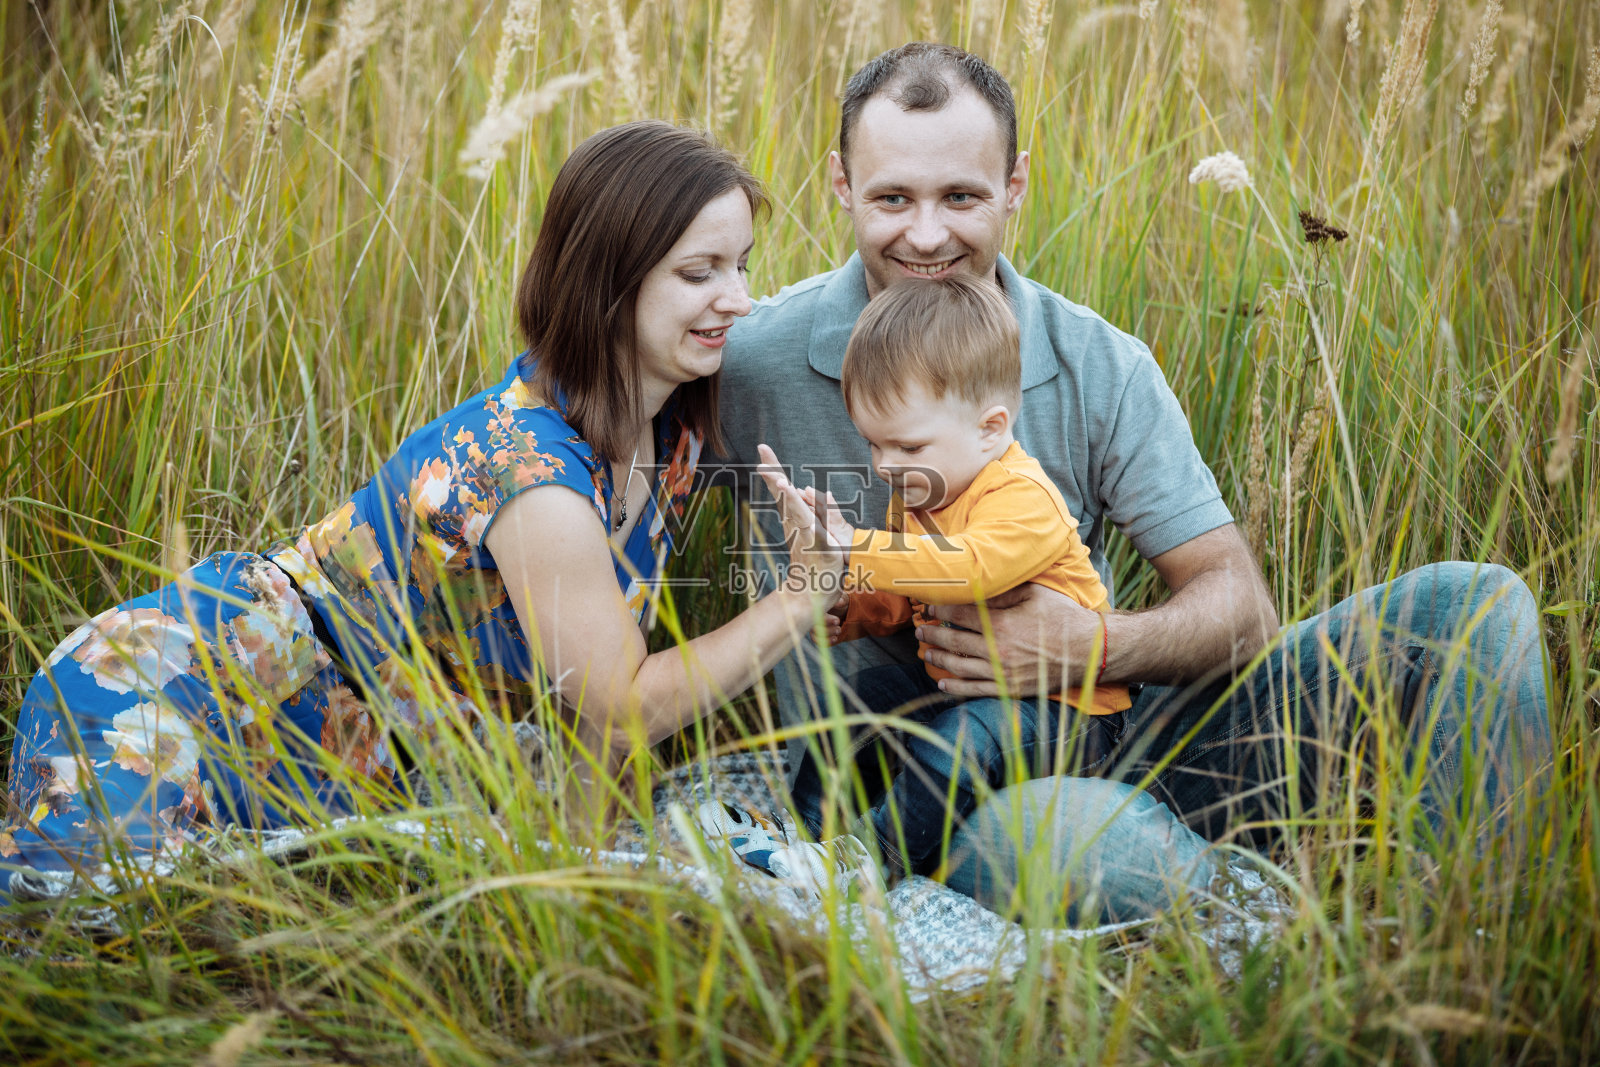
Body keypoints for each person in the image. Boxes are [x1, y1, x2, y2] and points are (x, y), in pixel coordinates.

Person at [713, 43, 1553, 916]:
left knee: (1476, 609)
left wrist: (1091, 644)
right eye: (893, 197)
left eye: (961, 195)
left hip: (1115, 728)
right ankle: (1225, 893)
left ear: (1015, 186)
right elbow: (594, 409)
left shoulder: (1100, 364)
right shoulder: (754, 358)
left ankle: (1473, 936)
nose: (927, 234)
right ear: (843, 185)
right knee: (1115, 857)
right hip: (930, 790)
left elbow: (1241, 610)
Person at [1, 121, 839, 906]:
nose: (738, 298)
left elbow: (598, 724)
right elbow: (627, 705)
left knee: (232, 942)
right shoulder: (528, 471)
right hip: (179, 696)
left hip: (340, 763)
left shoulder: (672, 436)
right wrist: (800, 597)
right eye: (701, 273)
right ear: (608, 283)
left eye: (742, 264)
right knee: (94, 935)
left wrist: (581, 897)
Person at [751, 275, 1131, 888]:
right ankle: (811, 835)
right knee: (858, 699)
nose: (883, 466)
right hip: (971, 688)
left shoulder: (1024, 497)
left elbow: (968, 570)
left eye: (906, 445)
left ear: (990, 425)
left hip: (1071, 711)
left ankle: (870, 861)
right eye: (873, 445)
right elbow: (913, 592)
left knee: (963, 741)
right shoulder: (928, 489)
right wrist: (849, 609)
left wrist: (852, 544)